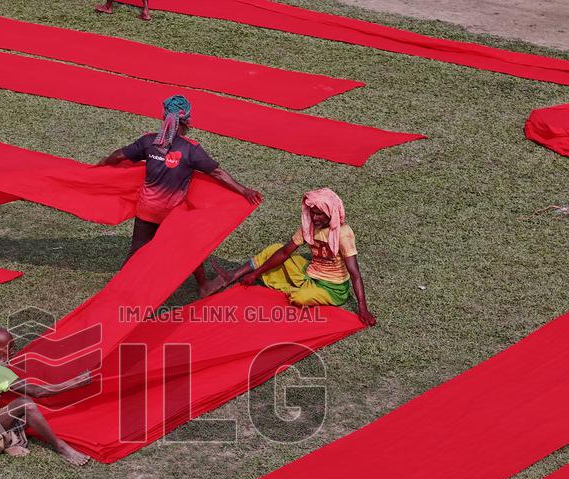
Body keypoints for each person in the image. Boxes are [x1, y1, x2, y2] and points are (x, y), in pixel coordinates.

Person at [99, 95, 262, 295]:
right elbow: (217, 173)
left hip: (146, 209)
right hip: (172, 213)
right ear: (186, 121)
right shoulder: (191, 149)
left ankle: (119, 289)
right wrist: (244, 190)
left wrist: (103, 164)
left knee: (137, 249)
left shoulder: (149, 142)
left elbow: (118, 156)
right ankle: (204, 286)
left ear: (164, 116)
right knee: (191, 249)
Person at [203, 189, 377, 326]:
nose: (315, 218)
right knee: (274, 249)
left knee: (298, 298)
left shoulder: (343, 233)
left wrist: (363, 308)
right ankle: (234, 274)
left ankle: (289, 284)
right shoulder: (308, 226)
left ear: (330, 213)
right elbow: (284, 252)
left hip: (333, 288)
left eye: (319, 214)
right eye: (313, 213)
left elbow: (354, 273)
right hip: (310, 272)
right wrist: (256, 273)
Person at [0, 327, 92, 466]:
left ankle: (6, 443)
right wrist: (75, 383)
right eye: (9, 347)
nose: (13, 351)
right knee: (25, 404)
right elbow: (36, 392)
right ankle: (61, 448)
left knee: (25, 414)